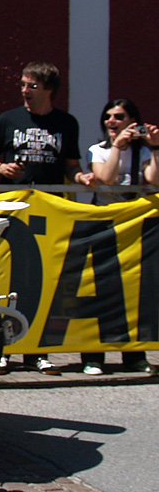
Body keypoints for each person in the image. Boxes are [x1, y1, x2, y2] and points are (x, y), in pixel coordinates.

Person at [0, 61, 95, 374]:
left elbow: (71, 163)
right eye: (22, 85)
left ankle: (36, 352)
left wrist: (81, 177)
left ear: (49, 89)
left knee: (43, 280)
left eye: (31, 86)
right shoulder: (9, 119)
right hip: (13, 211)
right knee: (6, 278)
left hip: (49, 213)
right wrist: (2, 169)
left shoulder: (66, 123)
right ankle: (3, 348)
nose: (24, 91)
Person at [80, 98, 159, 376]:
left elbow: (155, 180)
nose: (111, 122)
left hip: (136, 230)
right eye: (108, 117)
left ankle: (134, 355)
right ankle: (93, 356)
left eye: (119, 117)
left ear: (132, 122)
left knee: (135, 293)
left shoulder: (144, 152)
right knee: (101, 289)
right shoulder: (97, 150)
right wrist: (117, 147)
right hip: (103, 228)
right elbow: (107, 178)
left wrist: (156, 147)